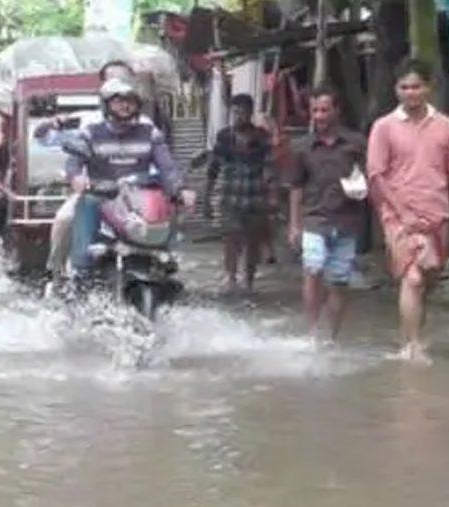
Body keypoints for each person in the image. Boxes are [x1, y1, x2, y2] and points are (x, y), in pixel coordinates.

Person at [366, 58, 449, 363]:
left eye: (416, 86)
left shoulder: (445, 126)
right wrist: (401, 212)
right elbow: (377, 175)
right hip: (399, 214)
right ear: (396, 90)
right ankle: (413, 348)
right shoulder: (384, 127)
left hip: (438, 212)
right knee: (414, 277)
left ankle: (409, 337)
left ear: (428, 88)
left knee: (429, 277)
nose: (410, 93)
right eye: (404, 87)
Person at [65, 77, 193, 285]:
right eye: (119, 101)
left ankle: (165, 262)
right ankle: (79, 276)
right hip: (101, 197)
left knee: (167, 211)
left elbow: (167, 167)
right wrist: (76, 177)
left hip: (136, 199)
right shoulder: (91, 132)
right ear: (106, 105)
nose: (125, 106)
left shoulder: (150, 132)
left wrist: (182, 188)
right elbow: (74, 162)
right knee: (85, 212)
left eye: (131, 101)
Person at [45, 61, 162, 284]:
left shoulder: (146, 124)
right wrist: (75, 176)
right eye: (112, 80)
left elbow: (160, 162)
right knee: (64, 218)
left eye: (124, 80)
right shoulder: (87, 120)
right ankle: (58, 275)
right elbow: (64, 149)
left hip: (135, 197)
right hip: (95, 192)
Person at [285, 86, 368, 343]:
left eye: (324, 110)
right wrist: (294, 225)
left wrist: (361, 186)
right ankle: (313, 333)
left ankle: (331, 337)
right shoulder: (301, 147)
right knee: (313, 267)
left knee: (339, 281)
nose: (319, 116)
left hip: (346, 219)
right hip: (314, 219)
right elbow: (296, 187)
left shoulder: (356, 144)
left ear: (336, 111)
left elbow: (372, 176)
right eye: (314, 111)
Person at [205, 93, 273, 292]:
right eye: (234, 112)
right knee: (230, 239)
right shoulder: (224, 137)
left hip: (255, 197)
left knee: (253, 241)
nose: (238, 116)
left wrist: (272, 196)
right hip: (231, 197)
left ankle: (249, 281)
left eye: (242, 112)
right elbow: (213, 168)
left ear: (250, 113)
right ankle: (232, 278)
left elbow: (269, 167)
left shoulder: (261, 137)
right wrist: (207, 198)